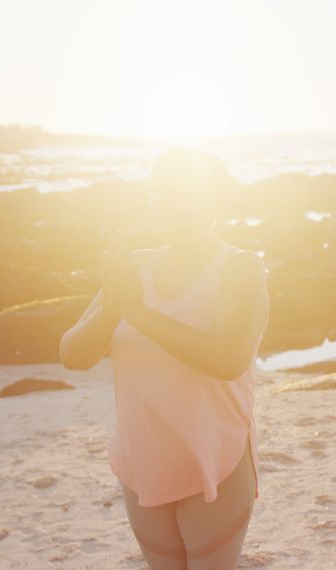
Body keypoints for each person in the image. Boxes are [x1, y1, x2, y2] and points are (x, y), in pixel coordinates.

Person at [59, 149, 269, 570]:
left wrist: (138, 313)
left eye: (185, 194)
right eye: (162, 194)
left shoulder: (240, 268)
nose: (170, 204)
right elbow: (72, 354)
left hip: (215, 457)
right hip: (142, 462)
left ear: (217, 202)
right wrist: (113, 307)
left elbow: (228, 358)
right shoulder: (134, 268)